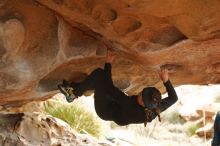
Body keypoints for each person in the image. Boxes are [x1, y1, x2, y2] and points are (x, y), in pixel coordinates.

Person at [58, 52, 178, 126]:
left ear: (144, 105)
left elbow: (110, 87)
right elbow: (174, 98)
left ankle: (73, 94)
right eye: (143, 92)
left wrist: (108, 63)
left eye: (142, 97)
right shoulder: (155, 107)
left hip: (105, 110)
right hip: (117, 106)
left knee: (100, 74)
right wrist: (166, 80)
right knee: (99, 81)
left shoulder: (130, 107)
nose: (140, 93)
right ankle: (75, 87)